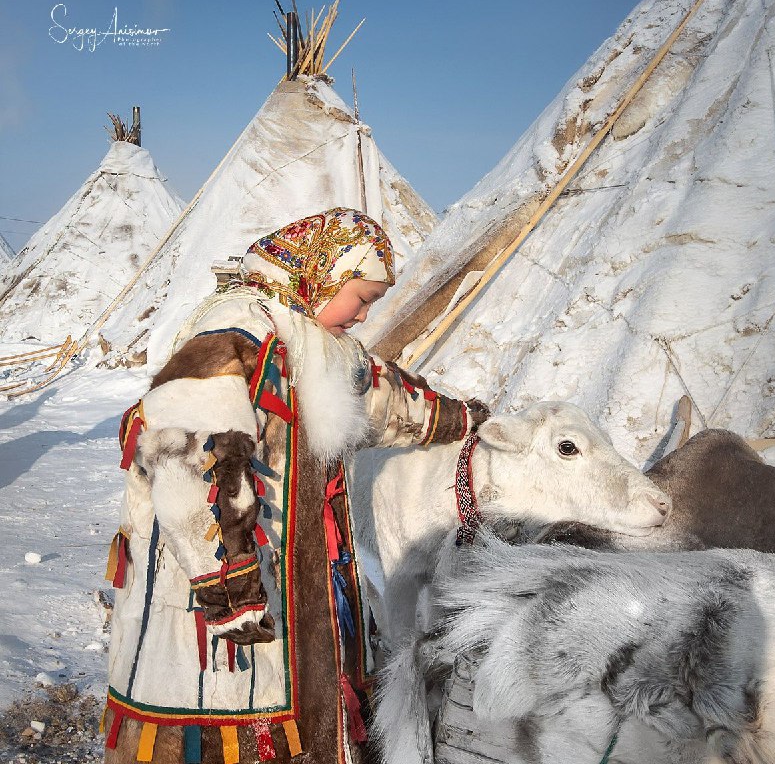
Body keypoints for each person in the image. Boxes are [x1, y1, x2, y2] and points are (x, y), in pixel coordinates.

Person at [103, 207, 488, 764]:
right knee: (224, 712)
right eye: (361, 297)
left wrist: (464, 420)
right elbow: (185, 455)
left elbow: (384, 401)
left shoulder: (320, 344)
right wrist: (228, 584)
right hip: (211, 572)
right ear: (325, 272)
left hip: (300, 568)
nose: (362, 315)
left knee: (295, 701)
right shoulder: (237, 329)